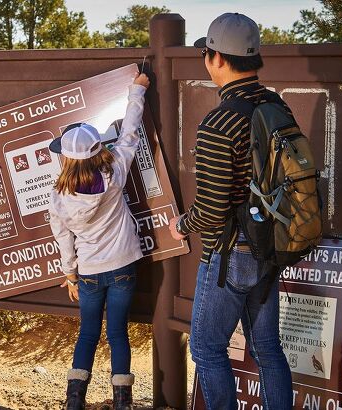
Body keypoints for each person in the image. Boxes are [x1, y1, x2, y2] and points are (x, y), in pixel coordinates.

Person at [167, 13, 293, 409]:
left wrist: (181, 224)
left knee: (205, 349)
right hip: (271, 245)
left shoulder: (219, 123)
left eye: (206, 51)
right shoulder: (276, 106)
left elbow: (210, 209)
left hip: (230, 255)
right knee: (268, 350)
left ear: (216, 57)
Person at [49, 72, 150, 410]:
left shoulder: (59, 196)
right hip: (122, 266)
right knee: (118, 333)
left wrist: (70, 273)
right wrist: (138, 89)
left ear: (66, 158)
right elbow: (130, 133)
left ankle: (74, 401)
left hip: (89, 272)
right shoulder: (115, 173)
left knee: (88, 334)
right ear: (98, 150)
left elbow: (62, 236)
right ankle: (123, 402)